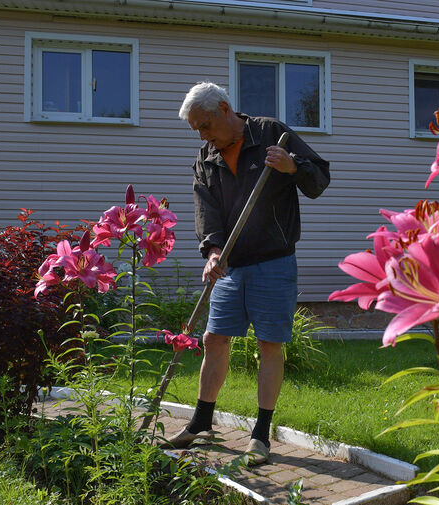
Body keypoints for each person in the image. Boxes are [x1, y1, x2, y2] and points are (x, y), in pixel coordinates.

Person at [162, 82, 330, 465]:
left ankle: (260, 435)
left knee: (269, 345)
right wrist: (213, 251)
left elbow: (319, 178)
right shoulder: (206, 157)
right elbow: (206, 210)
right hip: (231, 264)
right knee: (213, 339)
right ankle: (201, 422)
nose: (203, 136)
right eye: (197, 131)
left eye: (205, 126)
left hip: (274, 261)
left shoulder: (271, 133)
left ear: (224, 108)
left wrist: (292, 166)